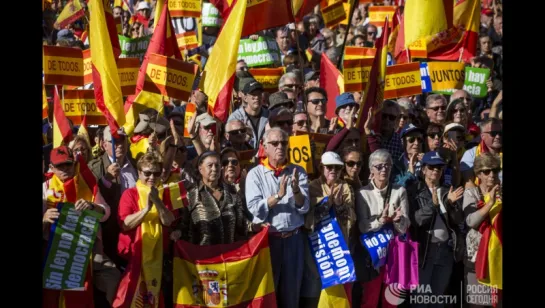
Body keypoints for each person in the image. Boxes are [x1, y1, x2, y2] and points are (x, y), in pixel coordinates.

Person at [43, 146, 119, 307]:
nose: (64, 169)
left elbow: (106, 213)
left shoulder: (87, 184)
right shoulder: (45, 188)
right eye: (59, 166)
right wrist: (44, 219)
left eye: (68, 165)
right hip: (52, 254)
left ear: (75, 164)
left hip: (84, 253)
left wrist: (92, 206)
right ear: (51, 167)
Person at [245, 127, 310, 307]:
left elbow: (304, 207)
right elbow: (255, 210)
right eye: (274, 143)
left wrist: (296, 190)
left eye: (283, 143)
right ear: (264, 147)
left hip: (294, 240)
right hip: (268, 241)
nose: (280, 147)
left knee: (291, 296)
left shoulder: (298, 171)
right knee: (267, 296)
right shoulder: (255, 174)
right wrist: (278, 197)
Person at [114, 152, 177, 308]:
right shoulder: (130, 194)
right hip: (134, 258)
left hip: (160, 257)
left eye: (156, 173)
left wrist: (158, 202)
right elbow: (125, 224)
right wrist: (146, 209)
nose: (151, 177)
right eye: (147, 173)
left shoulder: (167, 193)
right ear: (139, 172)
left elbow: (169, 221)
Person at [407, 152, 465, 307]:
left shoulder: (447, 191)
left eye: (439, 168)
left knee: (437, 299)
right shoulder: (414, 191)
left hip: (445, 251)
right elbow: (416, 219)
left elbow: (459, 220)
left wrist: (452, 205)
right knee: (420, 299)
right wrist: (433, 205)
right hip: (424, 253)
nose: (436, 171)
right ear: (424, 170)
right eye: (432, 167)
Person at [353, 149, 409, 308]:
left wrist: (398, 221)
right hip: (373, 256)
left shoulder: (400, 191)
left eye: (388, 166)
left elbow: (405, 227)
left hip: (394, 254)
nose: (384, 170)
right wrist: (381, 220)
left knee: (391, 301)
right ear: (371, 169)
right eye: (379, 166)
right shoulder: (362, 193)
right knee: (369, 300)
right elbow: (363, 227)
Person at [300, 152, 356, 307]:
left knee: (335, 292)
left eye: (337, 168)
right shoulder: (312, 187)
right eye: (329, 167)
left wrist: (339, 205)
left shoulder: (345, 188)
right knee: (313, 288)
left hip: (337, 246)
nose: (333, 171)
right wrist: (327, 203)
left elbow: (350, 219)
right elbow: (308, 219)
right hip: (316, 247)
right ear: (321, 168)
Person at [175, 151, 252, 245]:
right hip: (203, 256)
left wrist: (254, 226)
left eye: (217, 165)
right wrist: (178, 232)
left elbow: (242, 224)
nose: (214, 169)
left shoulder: (232, 193)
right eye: (210, 165)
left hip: (229, 255)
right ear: (200, 169)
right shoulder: (191, 195)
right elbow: (183, 224)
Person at [88, 127, 138, 270]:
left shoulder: (135, 165)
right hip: (111, 232)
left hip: (135, 228)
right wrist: (107, 179)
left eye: (122, 141)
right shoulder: (95, 167)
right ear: (104, 145)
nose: (120, 145)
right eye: (114, 141)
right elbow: (92, 197)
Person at [462, 153, 502, 307]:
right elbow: (471, 221)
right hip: (476, 258)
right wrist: (490, 202)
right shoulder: (471, 193)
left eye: (495, 170)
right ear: (478, 173)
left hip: (498, 259)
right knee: (478, 303)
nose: (491, 175)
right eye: (486, 171)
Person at [228, 81, 270, 149]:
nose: (256, 97)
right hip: (244, 157)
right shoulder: (235, 118)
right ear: (245, 98)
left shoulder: (270, 116)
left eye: (259, 94)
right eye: (253, 94)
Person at [460, 118, 502, 186]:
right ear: (482, 136)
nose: (498, 136)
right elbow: (469, 182)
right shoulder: (471, 154)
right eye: (493, 133)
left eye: (500, 133)